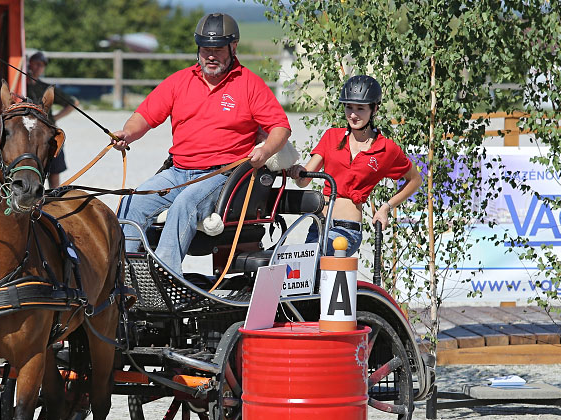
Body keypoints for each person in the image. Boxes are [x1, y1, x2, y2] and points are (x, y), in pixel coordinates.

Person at [112, 13, 291, 274]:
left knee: (185, 204)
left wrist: (264, 151)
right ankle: (125, 274)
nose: (210, 55)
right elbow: (145, 117)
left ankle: (164, 274)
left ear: (233, 47)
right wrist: (127, 134)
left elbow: (281, 128)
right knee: (133, 202)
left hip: (222, 175)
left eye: (217, 49)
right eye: (206, 48)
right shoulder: (179, 81)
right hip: (177, 172)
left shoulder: (249, 84)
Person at [289, 74, 423, 256]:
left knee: (316, 267)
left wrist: (386, 207)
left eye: (360, 108)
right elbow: (304, 180)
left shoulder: (386, 148)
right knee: (296, 271)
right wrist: (298, 172)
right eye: (348, 107)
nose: (352, 114)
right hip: (319, 226)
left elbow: (415, 180)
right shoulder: (331, 136)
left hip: (347, 230)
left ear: (374, 109)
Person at [27, 51, 80, 189]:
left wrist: (55, 117)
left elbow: (73, 102)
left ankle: (55, 201)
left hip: (48, 131)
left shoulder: (46, 88)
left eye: (42, 65)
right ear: (29, 64)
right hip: (30, 133)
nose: (39, 67)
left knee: (54, 173)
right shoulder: (21, 86)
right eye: (36, 64)